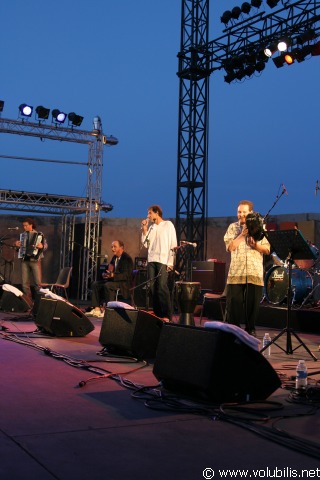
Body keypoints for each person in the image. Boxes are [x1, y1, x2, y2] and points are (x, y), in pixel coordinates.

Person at [224, 200, 270, 337]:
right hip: (236, 273)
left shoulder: (261, 227)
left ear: (250, 213)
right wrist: (242, 235)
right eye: (239, 212)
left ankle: (250, 331)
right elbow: (230, 247)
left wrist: (256, 246)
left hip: (253, 272)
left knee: (252, 306)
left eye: (244, 212)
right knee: (234, 306)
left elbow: (267, 249)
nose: (241, 215)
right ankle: (233, 333)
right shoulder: (232, 227)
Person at [141, 205, 177, 321]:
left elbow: (173, 244)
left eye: (150, 213)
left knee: (162, 287)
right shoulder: (151, 228)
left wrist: (170, 262)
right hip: (151, 260)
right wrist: (145, 229)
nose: (148, 216)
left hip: (163, 260)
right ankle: (158, 314)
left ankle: (167, 315)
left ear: (157, 213)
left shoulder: (168, 224)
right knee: (152, 288)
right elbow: (146, 244)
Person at [87, 240, 133, 318]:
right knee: (95, 284)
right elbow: (109, 269)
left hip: (123, 283)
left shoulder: (127, 259)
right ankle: (97, 308)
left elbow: (126, 275)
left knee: (108, 285)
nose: (112, 249)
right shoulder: (114, 257)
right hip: (113, 280)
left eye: (115, 247)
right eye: (112, 247)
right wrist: (105, 274)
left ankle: (108, 311)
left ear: (121, 248)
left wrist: (113, 275)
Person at [14, 217, 47, 304]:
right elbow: (19, 249)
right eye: (23, 226)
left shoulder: (39, 235)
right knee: (25, 284)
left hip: (35, 261)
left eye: (26, 225)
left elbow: (45, 245)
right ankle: (29, 303)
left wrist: (42, 246)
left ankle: (39, 304)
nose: (24, 227)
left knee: (38, 284)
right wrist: (17, 246)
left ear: (31, 225)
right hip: (25, 260)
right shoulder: (22, 235)